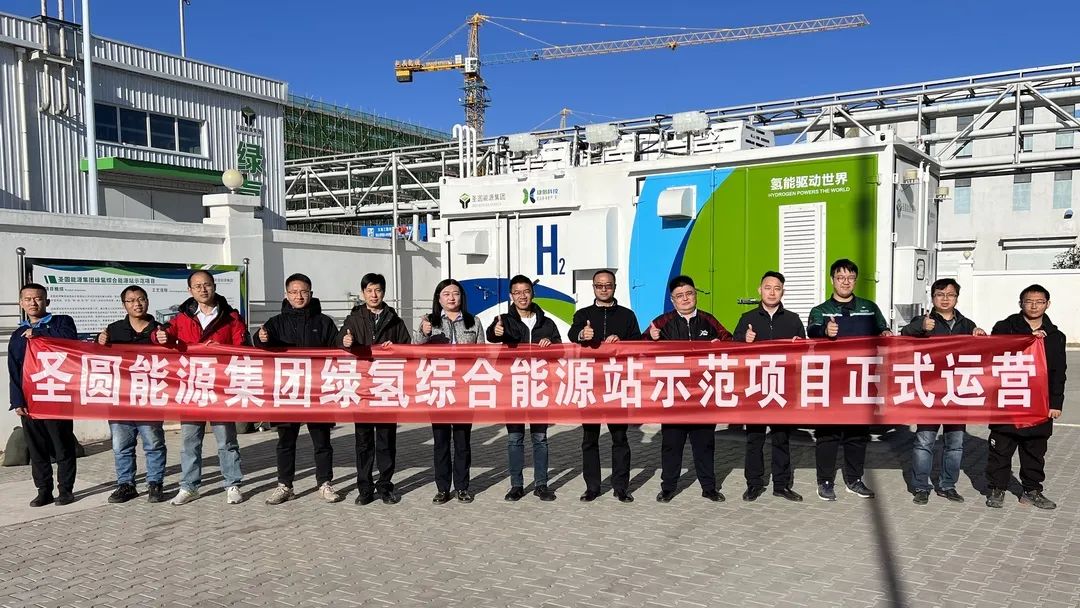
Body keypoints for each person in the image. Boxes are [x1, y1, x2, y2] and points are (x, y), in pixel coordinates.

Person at [157, 270, 247, 506]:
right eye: (197, 286)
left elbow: (242, 346)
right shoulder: (182, 318)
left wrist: (222, 350)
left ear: (214, 286)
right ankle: (189, 486)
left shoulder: (231, 317)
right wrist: (161, 336)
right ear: (190, 290)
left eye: (206, 284)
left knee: (226, 439)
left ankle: (232, 484)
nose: (203, 289)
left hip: (220, 386)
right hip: (192, 385)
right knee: (190, 440)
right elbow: (164, 336)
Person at [806, 259, 891, 502]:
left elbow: (882, 329)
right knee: (827, 434)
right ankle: (825, 481)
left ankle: (854, 480)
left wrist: (885, 333)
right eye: (840, 277)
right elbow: (812, 331)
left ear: (855, 280)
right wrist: (825, 332)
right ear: (832, 280)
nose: (845, 282)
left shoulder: (869, 308)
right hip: (830, 382)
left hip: (860, 381)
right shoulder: (820, 310)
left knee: (858, 434)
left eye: (850, 278)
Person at [254, 273, 342, 505]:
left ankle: (324, 483)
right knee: (285, 442)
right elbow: (259, 343)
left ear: (311, 293)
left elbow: (337, 348)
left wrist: (346, 340)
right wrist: (261, 338)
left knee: (322, 441)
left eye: (303, 291)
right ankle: (285, 485)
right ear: (286, 294)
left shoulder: (324, 322)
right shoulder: (276, 323)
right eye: (294, 292)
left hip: (317, 391)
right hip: (287, 390)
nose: (299, 296)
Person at [900, 278, 986, 505]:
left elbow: (981, 351)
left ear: (957, 298)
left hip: (957, 392)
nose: (945, 299)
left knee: (955, 444)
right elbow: (903, 335)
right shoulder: (923, 321)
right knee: (924, 442)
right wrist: (920, 328)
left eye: (950, 295)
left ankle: (948, 485)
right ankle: (921, 486)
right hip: (930, 392)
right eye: (940, 294)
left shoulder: (967, 324)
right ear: (933, 298)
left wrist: (979, 334)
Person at [646, 275, 731, 503]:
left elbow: (730, 341)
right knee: (671, 445)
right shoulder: (661, 323)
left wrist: (721, 344)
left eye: (689, 294)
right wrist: (651, 339)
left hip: (703, 395)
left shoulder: (708, 320)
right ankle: (668, 487)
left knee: (705, 444)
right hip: (674, 395)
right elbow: (639, 349)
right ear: (672, 300)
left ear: (695, 295)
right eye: (679, 296)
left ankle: (709, 487)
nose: (685, 299)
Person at [985, 284, 1066, 510]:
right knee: (1000, 449)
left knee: (1034, 451)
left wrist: (1056, 403)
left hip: (1038, 403)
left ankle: (1032, 490)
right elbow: (993, 353)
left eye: (1039, 302)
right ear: (1020, 303)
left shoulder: (1055, 336)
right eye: (1029, 301)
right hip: (1008, 399)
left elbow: (1058, 372)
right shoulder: (1004, 327)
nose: (1034, 305)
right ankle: (997, 488)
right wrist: (1027, 340)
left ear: (1047, 304)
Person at [336, 272, 412, 505]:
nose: (373, 294)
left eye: (377, 290)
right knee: (363, 441)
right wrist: (346, 342)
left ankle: (386, 486)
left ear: (383, 292)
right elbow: (339, 341)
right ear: (363, 293)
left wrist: (395, 347)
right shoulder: (354, 319)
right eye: (369, 290)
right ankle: (365, 488)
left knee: (386, 440)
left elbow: (408, 348)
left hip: (387, 387)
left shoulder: (395, 320)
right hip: (362, 388)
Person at [567, 270, 641, 503]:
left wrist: (622, 342)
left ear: (615, 287)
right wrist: (582, 333)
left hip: (617, 383)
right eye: (599, 286)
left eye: (608, 285)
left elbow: (638, 343)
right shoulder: (583, 314)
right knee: (590, 439)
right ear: (593, 288)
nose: (604, 289)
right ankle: (592, 487)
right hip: (589, 383)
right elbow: (571, 333)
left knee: (620, 438)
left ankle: (621, 487)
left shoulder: (627, 315)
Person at [486, 274, 562, 502]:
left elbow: (560, 350)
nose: (522, 296)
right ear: (511, 295)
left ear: (532, 293)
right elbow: (492, 334)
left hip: (539, 388)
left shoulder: (546, 323)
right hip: (514, 388)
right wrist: (496, 332)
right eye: (517, 292)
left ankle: (541, 485)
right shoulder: (504, 320)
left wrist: (551, 345)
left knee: (540, 438)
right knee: (514, 439)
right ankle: (516, 486)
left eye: (526, 291)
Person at [731, 271, 806, 502]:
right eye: (767, 287)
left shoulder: (793, 320)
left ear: (783, 292)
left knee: (781, 438)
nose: (772, 292)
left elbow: (805, 353)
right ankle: (754, 484)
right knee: (754, 438)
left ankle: (781, 485)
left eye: (777, 288)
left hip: (782, 388)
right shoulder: (747, 318)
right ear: (759, 290)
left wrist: (799, 345)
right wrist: (744, 341)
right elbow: (733, 350)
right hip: (755, 388)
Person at [8, 283, 78, 507]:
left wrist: (38, 333)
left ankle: (65, 490)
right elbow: (14, 369)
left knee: (62, 446)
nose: (33, 302)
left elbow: (69, 340)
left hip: (57, 396)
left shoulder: (61, 322)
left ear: (46, 301)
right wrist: (17, 400)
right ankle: (44, 490)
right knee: (37, 449)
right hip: (31, 400)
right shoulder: (17, 335)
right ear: (21, 303)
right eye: (28, 299)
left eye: (38, 298)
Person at [415, 278, 485, 504]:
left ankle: (462, 487)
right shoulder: (430, 321)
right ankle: (443, 488)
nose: (452, 297)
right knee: (441, 441)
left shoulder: (474, 321)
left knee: (462, 442)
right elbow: (415, 348)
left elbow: (482, 354)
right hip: (439, 387)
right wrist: (424, 333)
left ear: (462, 297)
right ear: (439, 299)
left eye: (456, 293)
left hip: (464, 389)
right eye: (446, 294)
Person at [98, 285, 167, 504]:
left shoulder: (160, 330)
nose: (137, 304)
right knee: (121, 445)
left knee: (153, 443)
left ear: (147, 301)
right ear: (124, 305)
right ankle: (126, 485)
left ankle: (155, 483)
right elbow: (97, 355)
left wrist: (169, 341)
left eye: (141, 299)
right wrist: (99, 340)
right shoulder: (114, 330)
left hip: (149, 397)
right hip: (120, 397)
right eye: (131, 300)